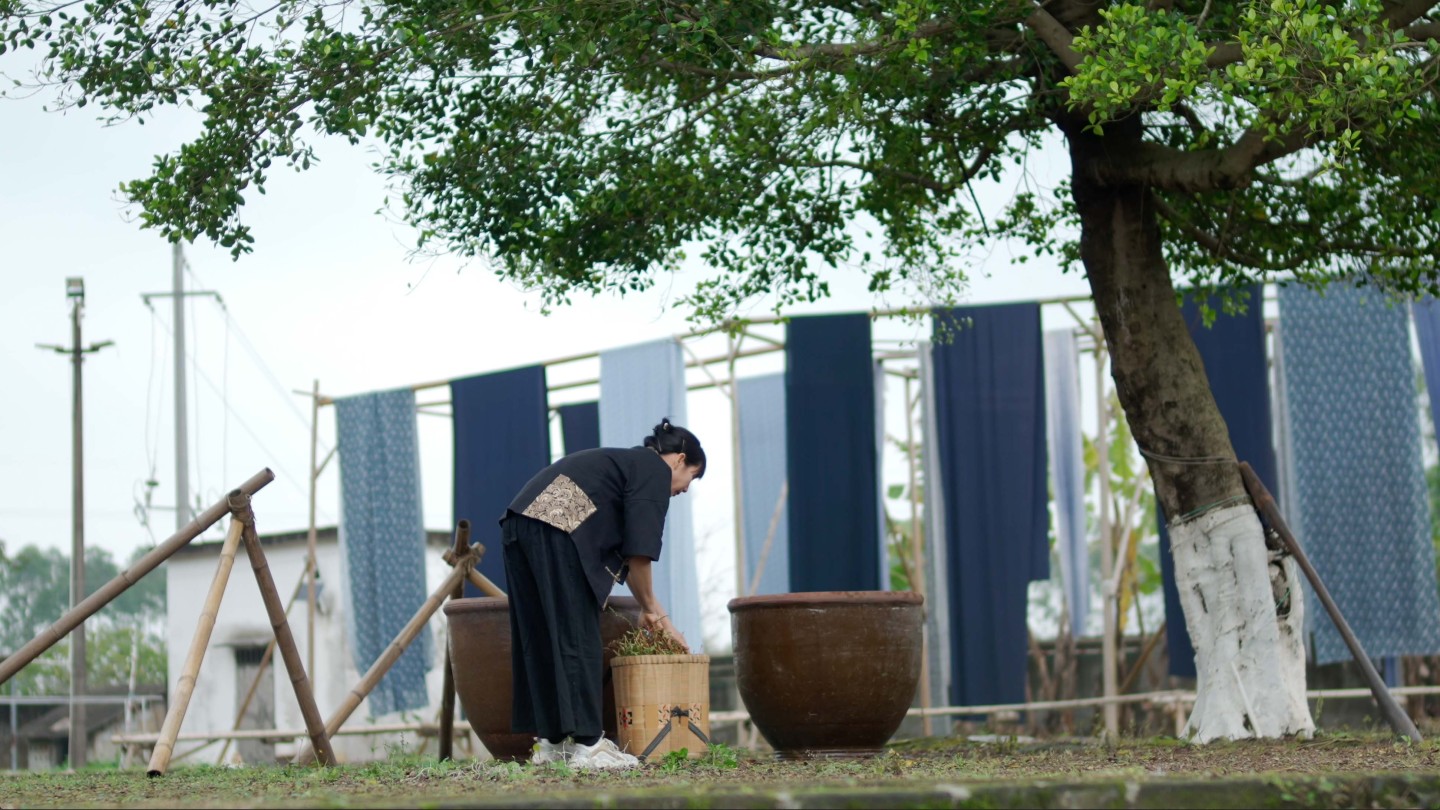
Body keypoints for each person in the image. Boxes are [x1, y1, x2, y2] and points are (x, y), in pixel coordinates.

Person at [499, 418, 706, 769]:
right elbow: (640, 550)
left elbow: (628, 548)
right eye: (691, 477)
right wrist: (657, 613)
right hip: (558, 520)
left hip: (519, 521)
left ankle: (552, 745)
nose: (685, 489)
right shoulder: (652, 468)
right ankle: (588, 745)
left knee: (539, 634)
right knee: (577, 631)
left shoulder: (622, 465)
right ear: (678, 459)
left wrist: (649, 608)